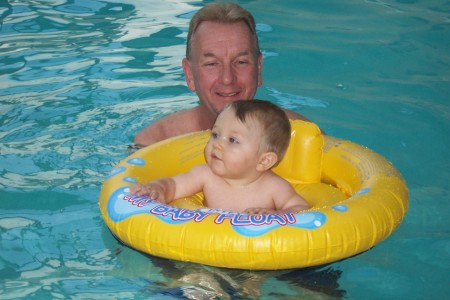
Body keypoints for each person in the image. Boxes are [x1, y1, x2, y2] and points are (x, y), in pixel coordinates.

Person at [134, 2, 310, 147]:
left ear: (258, 68)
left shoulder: (297, 133)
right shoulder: (154, 142)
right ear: (189, 74)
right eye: (211, 64)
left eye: (241, 62)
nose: (227, 78)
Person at [131, 99, 310, 214]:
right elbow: (174, 185)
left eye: (232, 140)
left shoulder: (274, 187)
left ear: (264, 161)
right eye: (215, 134)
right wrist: (157, 189)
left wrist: (277, 215)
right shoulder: (205, 175)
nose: (217, 144)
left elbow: (301, 208)